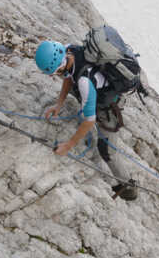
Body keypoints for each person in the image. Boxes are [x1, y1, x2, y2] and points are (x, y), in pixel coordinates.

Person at [34, 39, 138, 201]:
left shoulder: (84, 81)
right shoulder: (68, 50)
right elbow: (69, 77)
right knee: (87, 101)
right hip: (95, 92)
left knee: (106, 150)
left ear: (60, 65)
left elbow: (89, 120)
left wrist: (68, 145)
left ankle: (128, 186)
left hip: (107, 108)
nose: (55, 75)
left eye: (55, 72)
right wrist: (59, 104)